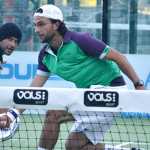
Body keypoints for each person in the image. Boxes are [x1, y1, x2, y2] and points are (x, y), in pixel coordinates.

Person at [0, 5, 146, 150]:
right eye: (35, 26)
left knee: (53, 114)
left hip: (110, 93)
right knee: (75, 145)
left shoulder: (81, 40)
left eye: (41, 24)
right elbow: (33, 90)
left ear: (56, 24)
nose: (37, 30)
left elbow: (119, 57)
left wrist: (138, 84)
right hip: (88, 97)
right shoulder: (45, 55)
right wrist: (13, 114)